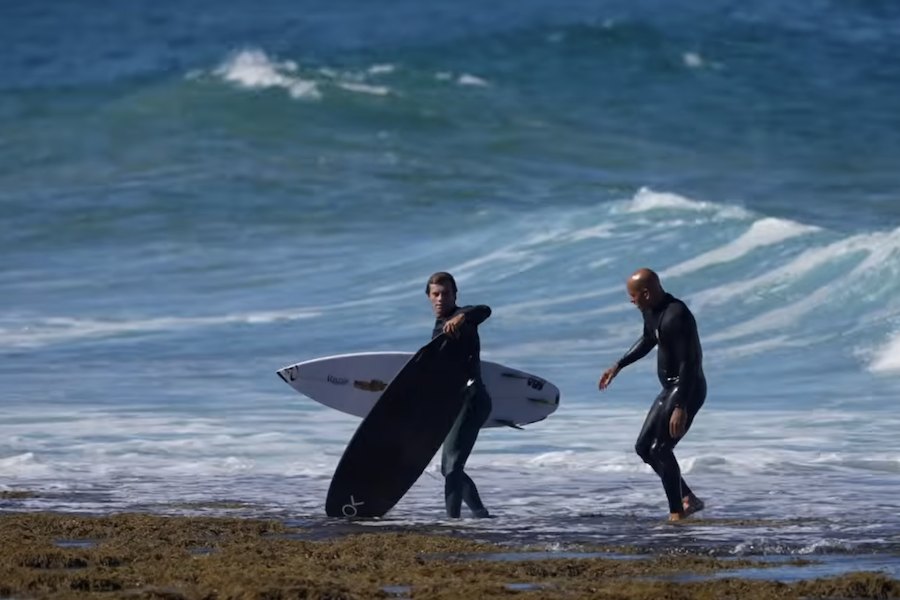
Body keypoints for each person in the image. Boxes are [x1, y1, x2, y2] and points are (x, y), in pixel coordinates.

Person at [598, 268, 706, 521]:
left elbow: (690, 363)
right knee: (644, 448)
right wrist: (618, 365)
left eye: (633, 295)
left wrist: (680, 406)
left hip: (687, 389)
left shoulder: (677, 315)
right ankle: (689, 499)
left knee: (661, 449)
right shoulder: (651, 310)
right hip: (670, 389)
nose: (631, 300)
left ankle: (677, 513)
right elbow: (649, 339)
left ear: (646, 293)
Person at [426, 271, 493, 519]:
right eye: (435, 294)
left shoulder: (463, 318)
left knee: (453, 467)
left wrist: (462, 317)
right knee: (449, 469)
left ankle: (451, 523)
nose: (440, 298)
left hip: (472, 399)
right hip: (455, 403)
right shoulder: (438, 328)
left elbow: (484, 310)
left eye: (446, 293)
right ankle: (481, 515)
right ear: (429, 297)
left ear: (455, 295)